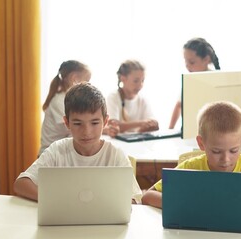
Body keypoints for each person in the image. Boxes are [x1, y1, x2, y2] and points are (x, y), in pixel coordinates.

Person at [142, 101, 241, 217]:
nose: (226, 159)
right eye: (216, 151)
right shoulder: (191, 167)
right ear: (201, 144)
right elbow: (148, 196)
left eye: (234, 150)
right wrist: (185, 203)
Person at [14, 83, 142, 203]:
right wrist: (54, 200)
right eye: (77, 123)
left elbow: (135, 198)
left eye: (95, 123)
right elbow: (21, 183)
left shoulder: (115, 155)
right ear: (67, 123)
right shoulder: (57, 150)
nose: (86, 132)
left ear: (105, 121)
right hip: (64, 221)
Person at [38, 60, 91, 156]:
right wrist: (104, 129)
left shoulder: (69, 100)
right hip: (50, 156)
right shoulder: (60, 101)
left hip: (60, 153)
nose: (89, 85)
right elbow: (76, 128)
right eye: (87, 80)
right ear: (74, 78)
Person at [169, 37, 221, 129]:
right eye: (185, 62)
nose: (187, 66)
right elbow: (179, 105)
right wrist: (170, 129)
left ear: (206, 59)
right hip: (193, 129)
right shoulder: (189, 80)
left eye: (191, 62)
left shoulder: (217, 79)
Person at [103, 60, 159, 137]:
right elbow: (114, 125)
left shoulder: (142, 100)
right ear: (123, 78)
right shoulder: (113, 97)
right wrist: (141, 123)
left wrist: (151, 124)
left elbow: (152, 122)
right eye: (136, 81)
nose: (140, 85)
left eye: (142, 80)